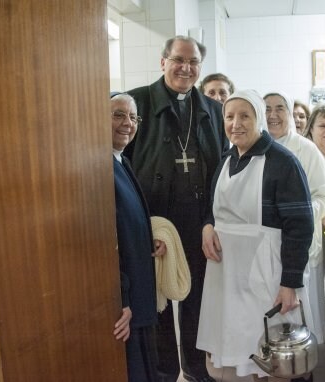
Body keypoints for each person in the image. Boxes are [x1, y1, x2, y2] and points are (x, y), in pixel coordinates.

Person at [124, 35, 227, 382]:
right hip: (156, 224)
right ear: (163, 61)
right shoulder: (136, 102)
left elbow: (222, 172)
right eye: (178, 60)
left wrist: (212, 221)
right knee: (160, 303)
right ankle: (165, 373)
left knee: (198, 300)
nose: (186, 68)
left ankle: (198, 369)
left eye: (194, 62)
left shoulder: (214, 111)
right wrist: (144, 226)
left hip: (199, 222)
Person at [198, 89, 314, 381]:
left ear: (259, 118)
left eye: (244, 116)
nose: (236, 123)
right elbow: (214, 208)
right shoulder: (227, 159)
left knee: (266, 357)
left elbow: (300, 227)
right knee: (234, 350)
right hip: (226, 276)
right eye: (229, 116)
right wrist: (208, 226)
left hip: (265, 275)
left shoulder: (282, 162)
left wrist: (290, 283)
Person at [264, 92, 325, 348]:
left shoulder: (306, 149)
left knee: (302, 308)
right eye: (267, 108)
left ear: (290, 114)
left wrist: (295, 214)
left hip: (299, 243)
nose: (273, 114)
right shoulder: (255, 147)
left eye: (280, 108)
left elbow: (323, 196)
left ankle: (304, 360)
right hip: (265, 249)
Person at [111, 93, 166, 382]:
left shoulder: (121, 162)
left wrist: (148, 240)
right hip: (125, 304)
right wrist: (119, 299)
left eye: (133, 117)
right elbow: (105, 244)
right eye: (118, 115)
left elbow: (126, 224)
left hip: (138, 296)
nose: (128, 123)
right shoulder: (100, 169)